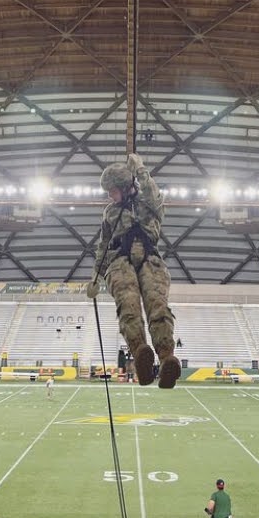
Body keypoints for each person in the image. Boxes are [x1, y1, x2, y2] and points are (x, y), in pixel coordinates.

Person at [87, 153, 180, 389]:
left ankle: (167, 356)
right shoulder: (110, 212)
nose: (109, 195)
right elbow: (103, 243)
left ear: (125, 187)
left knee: (157, 305)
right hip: (120, 261)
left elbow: (154, 196)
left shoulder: (147, 202)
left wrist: (140, 169)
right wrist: (95, 276)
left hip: (150, 259)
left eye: (112, 190)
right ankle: (140, 354)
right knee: (128, 306)